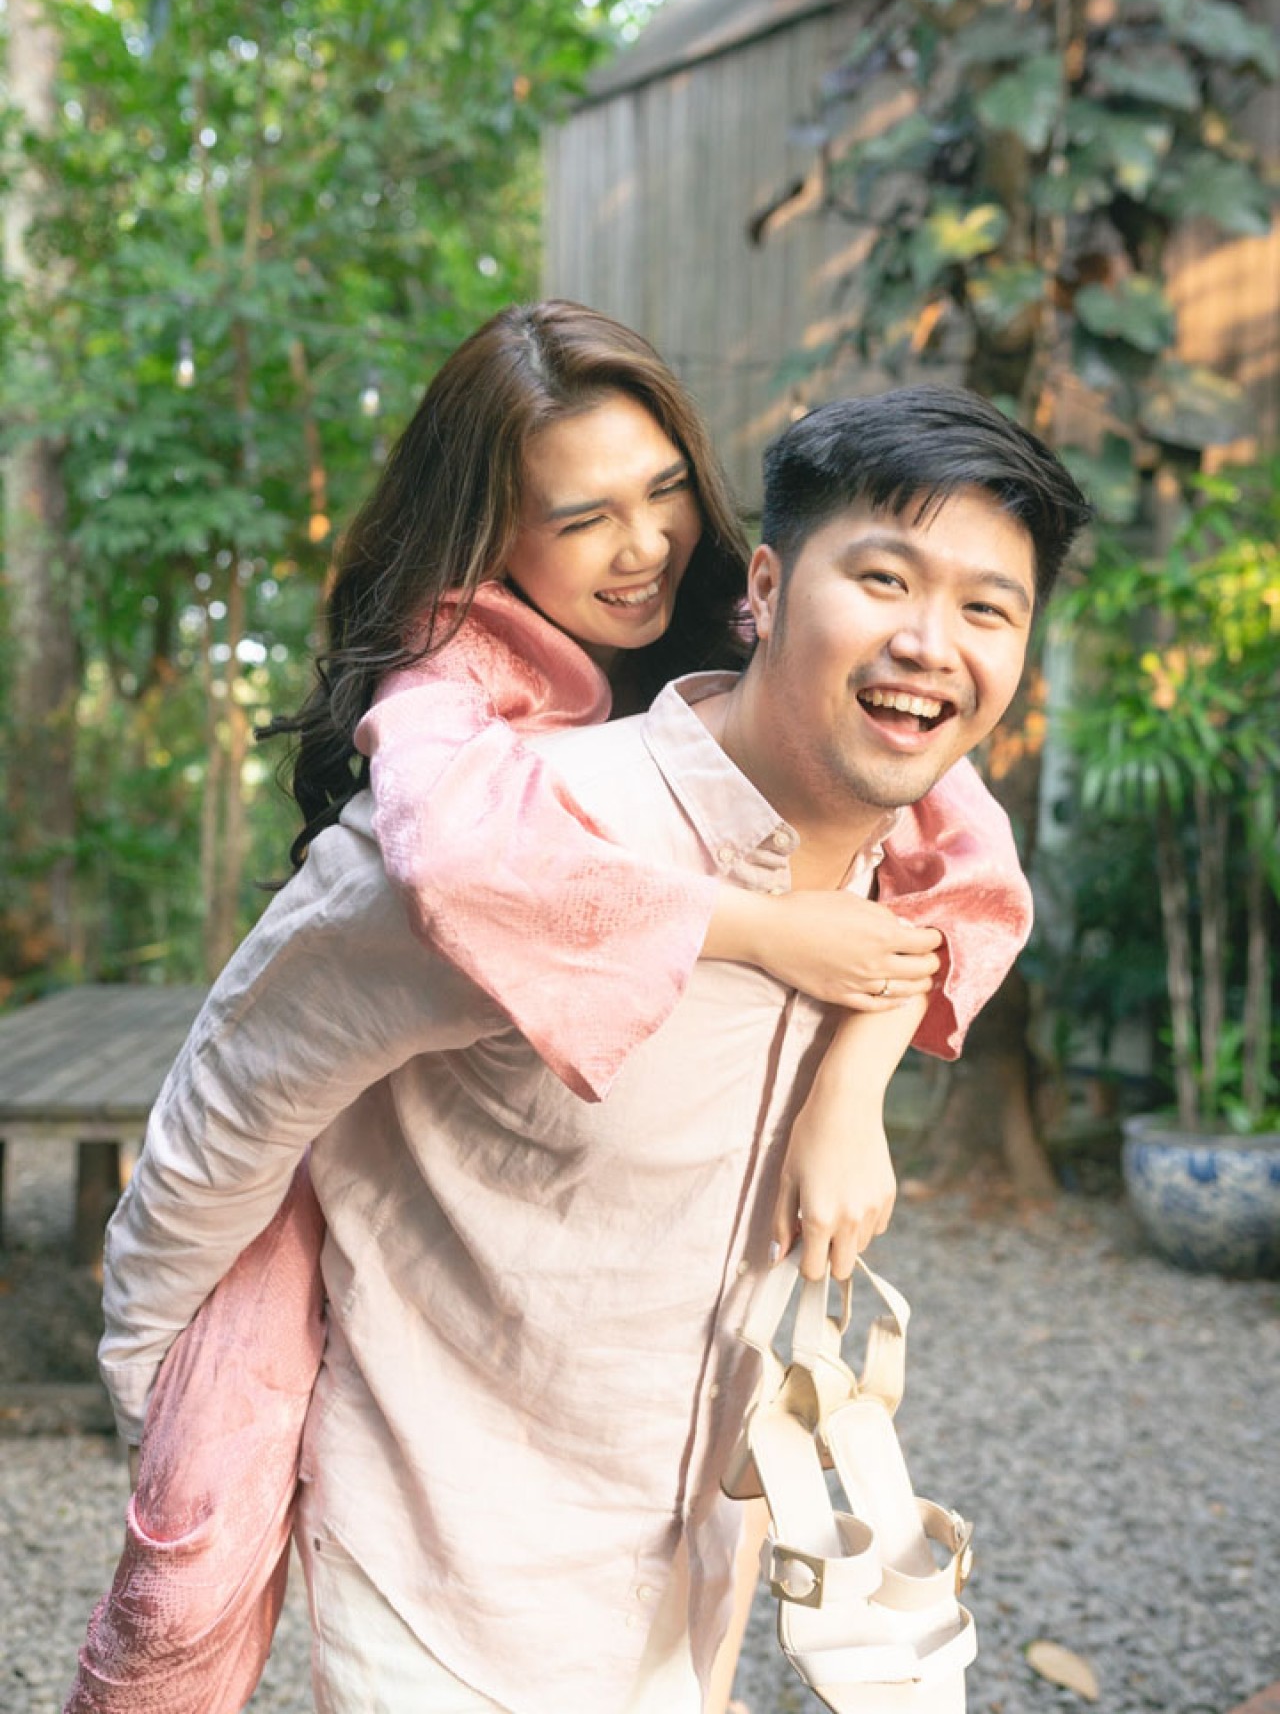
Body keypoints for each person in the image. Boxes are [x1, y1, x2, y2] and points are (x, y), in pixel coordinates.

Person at [84, 376, 1090, 1714]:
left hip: (696, 1573)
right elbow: (233, 1100)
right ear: (767, 586)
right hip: (446, 1576)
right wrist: (164, 1403)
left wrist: (854, 1089)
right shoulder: (500, 846)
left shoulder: (918, 862)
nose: (928, 642)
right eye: (885, 580)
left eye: (986, 609)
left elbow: (975, 910)